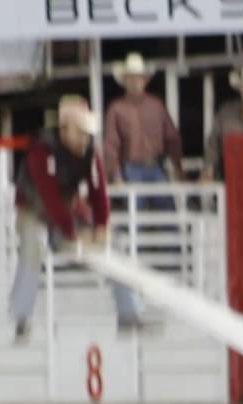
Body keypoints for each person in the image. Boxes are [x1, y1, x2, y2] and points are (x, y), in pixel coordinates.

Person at [10, 95, 145, 342]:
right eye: (80, 131)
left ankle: (129, 315)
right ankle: (21, 319)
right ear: (64, 129)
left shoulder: (90, 154)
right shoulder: (41, 154)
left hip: (65, 215)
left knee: (116, 244)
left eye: (86, 132)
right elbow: (48, 197)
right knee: (33, 247)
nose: (85, 138)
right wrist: (74, 232)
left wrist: (102, 225)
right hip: (34, 214)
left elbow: (98, 191)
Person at [104, 52, 185, 187]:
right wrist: (116, 174)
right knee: (134, 207)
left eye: (138, 77)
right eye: (131, 78)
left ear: (144, 80)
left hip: (156, 166)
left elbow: (172, 138)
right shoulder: (116, 108)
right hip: (131, 169)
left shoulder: (156, 105)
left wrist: (177, 166)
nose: (135, 82)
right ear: (124, 81)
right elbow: (111, 145)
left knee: (166, 206)